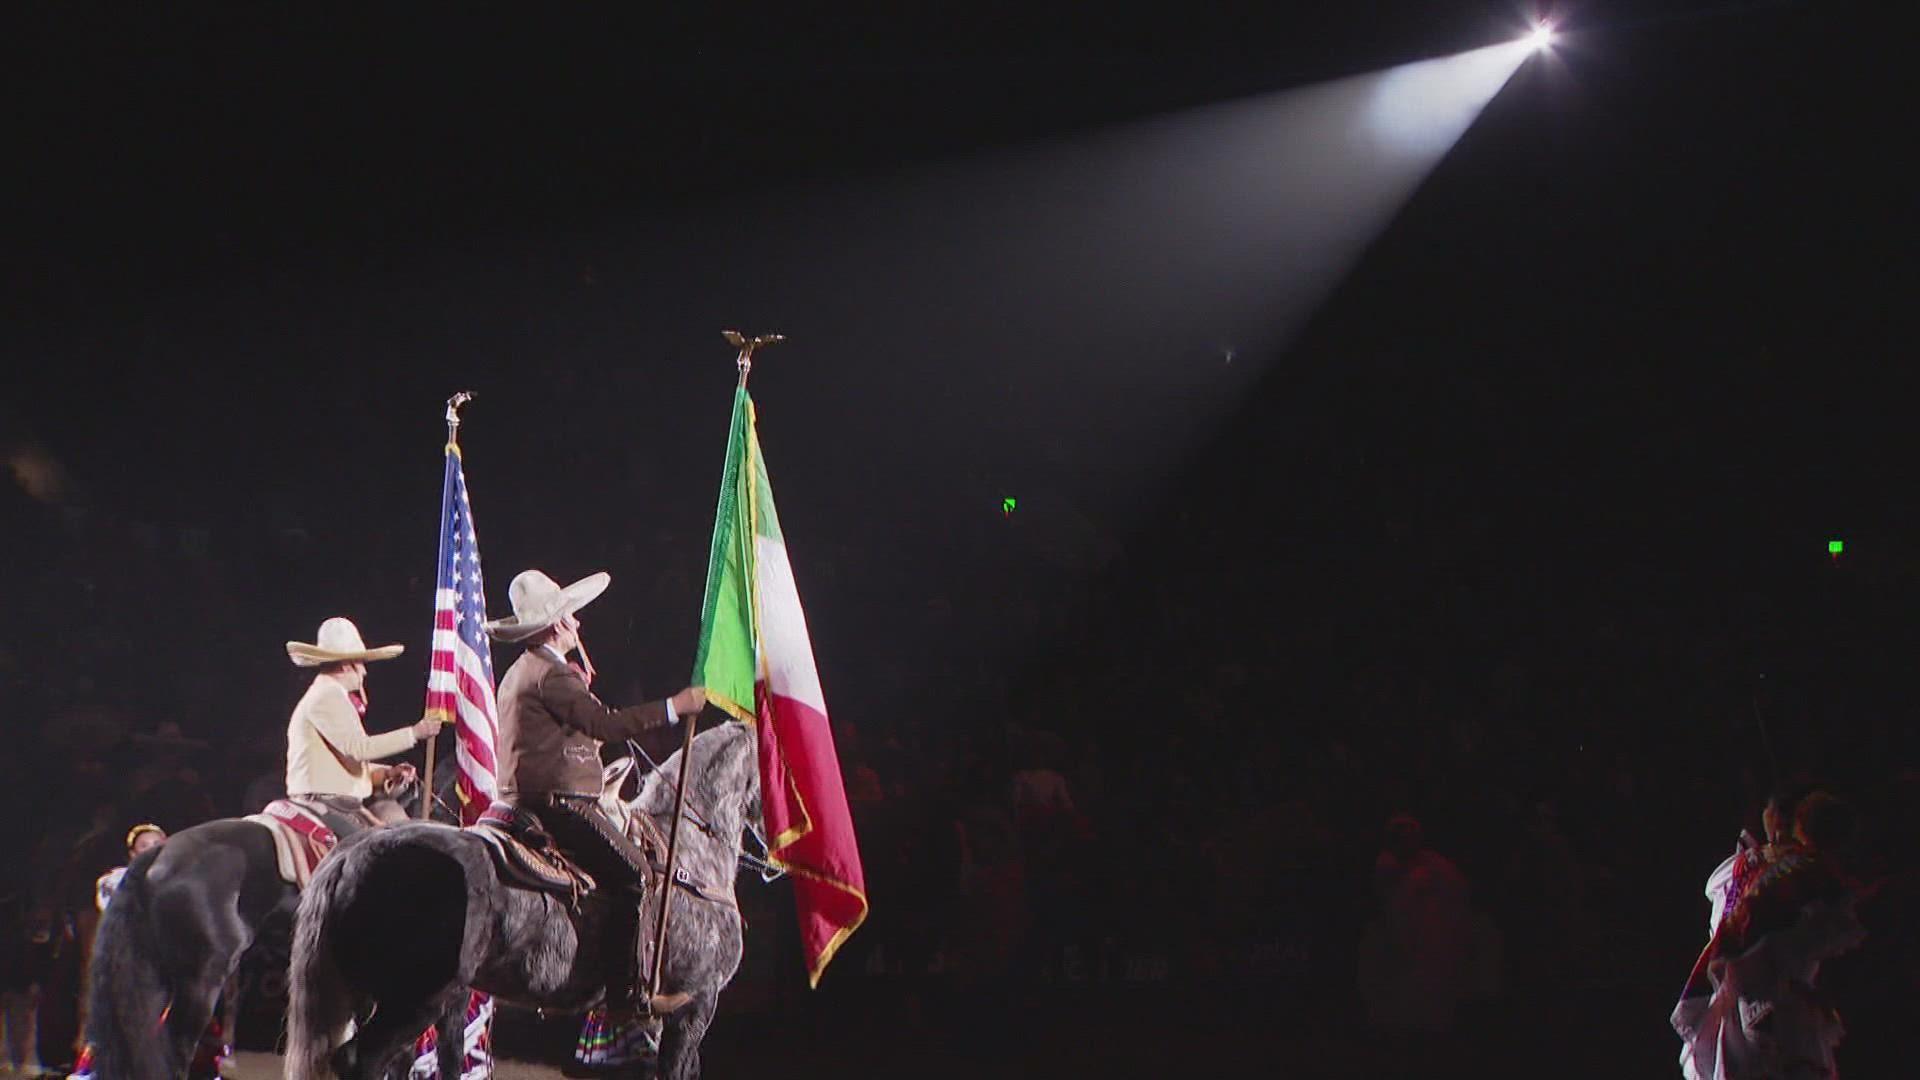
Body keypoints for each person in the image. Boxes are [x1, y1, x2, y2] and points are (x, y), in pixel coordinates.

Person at [483, 569, 704, 1021]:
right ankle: (627, 996)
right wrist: (674, 707)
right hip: (558, 804)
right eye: (572, 617)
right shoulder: (552, 675)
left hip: (522, 797)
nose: (578, 625)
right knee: (636, 875)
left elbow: (570, 737)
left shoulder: (527, 672)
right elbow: (604, 726)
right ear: (557, 624)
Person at [284, 617, 441, 835]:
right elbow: (359, 749)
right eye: (361, 664)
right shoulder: (328, 695)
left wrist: (386, 773)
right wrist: (415, 733)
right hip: (328, 803)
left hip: (334, 801)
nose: (365, 672)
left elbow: (348, 760)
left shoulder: (328, 693)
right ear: (348, 665)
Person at [92, 825, 165, 913]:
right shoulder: (116, 880)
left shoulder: (178, 876)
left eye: (157, 844)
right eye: (144, 846)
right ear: (133, 853)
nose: (152, 849)